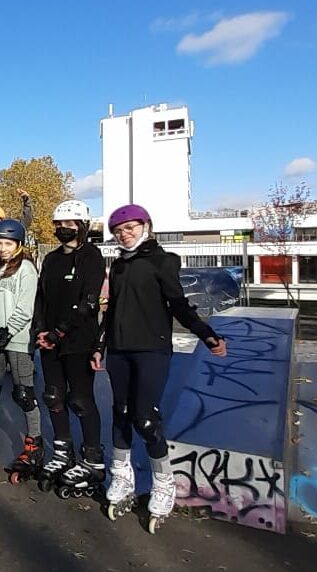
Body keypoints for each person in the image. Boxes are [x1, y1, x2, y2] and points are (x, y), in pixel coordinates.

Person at [95, 204, 227, 531]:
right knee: (121, 412)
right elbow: (112, 313)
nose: (124, 235)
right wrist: (100, 346)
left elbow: (178, 304)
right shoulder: (121, 267)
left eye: (130, 228)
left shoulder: (162, 261)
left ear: (146, 226)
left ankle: (163, 481)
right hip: (119, 350)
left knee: (146, 416)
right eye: (119, 231)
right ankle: (123, 478)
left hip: (151, 350)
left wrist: (206, 334)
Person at [25, 200, 106, 494]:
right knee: (53, 396)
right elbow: (42, 298)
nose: (62, 229)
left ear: (82, 225)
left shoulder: (91, 256)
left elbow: (89, 302)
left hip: (78, 340)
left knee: (81, 400)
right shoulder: (52, 259)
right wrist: (40, 330)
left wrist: (59, 332)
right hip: (50, 341)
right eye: (58, 224)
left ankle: (93, 460)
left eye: (69, 224)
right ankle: (63, 452)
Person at [0, 220, 42, 475]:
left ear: (18, 245)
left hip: (16, 341)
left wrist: (5, 335)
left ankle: (34, 442)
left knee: (23, 393)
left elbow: (25, 308)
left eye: (8, 244)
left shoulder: (25, 269)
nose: (2, 248)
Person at [0, 191, 34, 270]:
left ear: (1, 219)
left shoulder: (12, 231)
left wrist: (27, 202)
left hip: (16, 269)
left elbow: (26, 220)